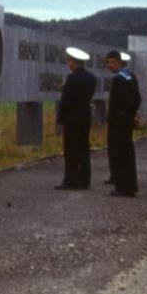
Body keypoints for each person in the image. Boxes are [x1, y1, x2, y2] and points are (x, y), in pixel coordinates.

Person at [55, 47, 97, 190]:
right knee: (83, 149)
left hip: (72, 119)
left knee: (71, 150)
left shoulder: (72, 78)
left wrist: (60, 118)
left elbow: (68, 100)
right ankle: (84, 180)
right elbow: (83, 96)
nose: (68, 64)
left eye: (69, 61)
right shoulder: (91, 77)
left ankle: (70, 180)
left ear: (73, 62)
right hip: (85, 117)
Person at [105, 50, 141, 197]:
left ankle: (123, 187)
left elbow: (117, 103)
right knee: (127, 154)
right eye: (108, 62)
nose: (110, 65)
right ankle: (129, 185)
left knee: (119, 154)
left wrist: (118, 116)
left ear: (119, 62)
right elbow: (137, 99)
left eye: (112, 62)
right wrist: (132, 115)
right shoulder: (130, 76)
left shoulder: (118, 79)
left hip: (118, 121)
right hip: (127, 120)